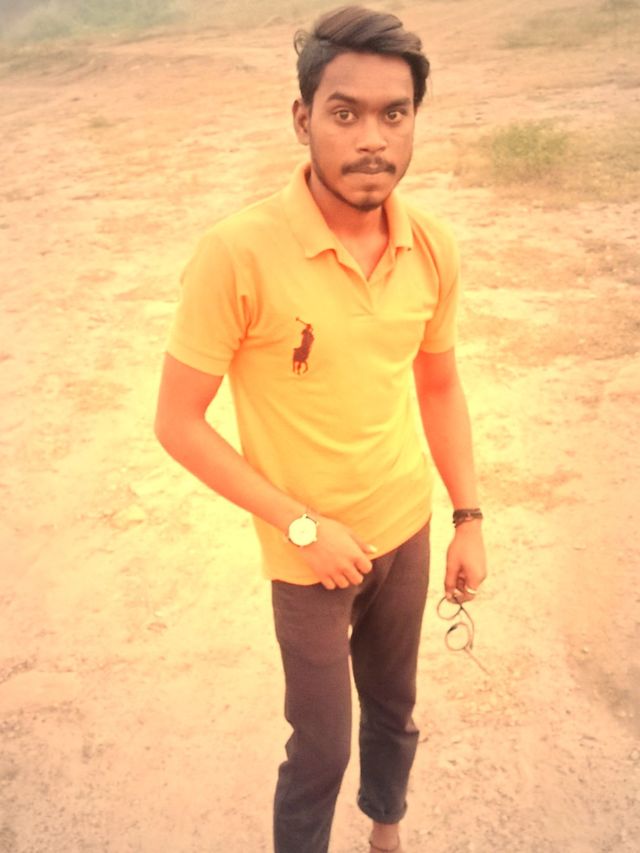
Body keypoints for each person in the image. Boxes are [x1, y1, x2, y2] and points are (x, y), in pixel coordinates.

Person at [154, 5, 487, 852]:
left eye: (394, 113)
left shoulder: (432, 245)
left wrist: (467, 516)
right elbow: (177, 422)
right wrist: (301, 526)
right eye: (345, 113)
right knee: (321, 747)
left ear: (414, 119)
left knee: (395, 707)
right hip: (306, 557)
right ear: (303, 119)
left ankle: (386, 832)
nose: (371, 138)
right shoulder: (238, 252)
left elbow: (439, 384)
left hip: (405, 528)